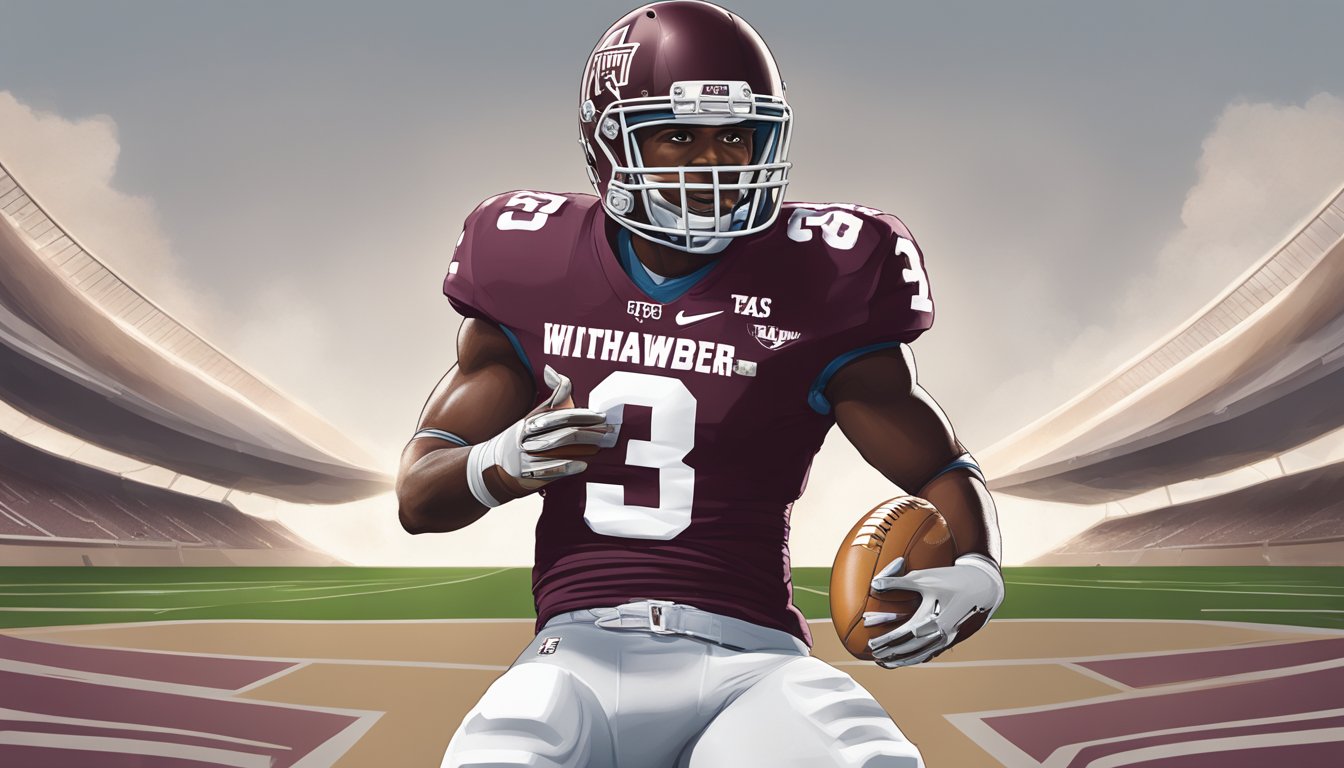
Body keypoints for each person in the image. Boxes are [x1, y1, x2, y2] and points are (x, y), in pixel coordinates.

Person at [397, 2, 1003, 765]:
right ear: (609, 139)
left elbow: (938, 466)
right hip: (575, 656)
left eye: (735, 135)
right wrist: (501, 462)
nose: (713, 161)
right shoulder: (528, 259)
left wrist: (978, 567)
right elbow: (418, 498)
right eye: (679, 134)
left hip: (754, 661)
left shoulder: (824, 274)